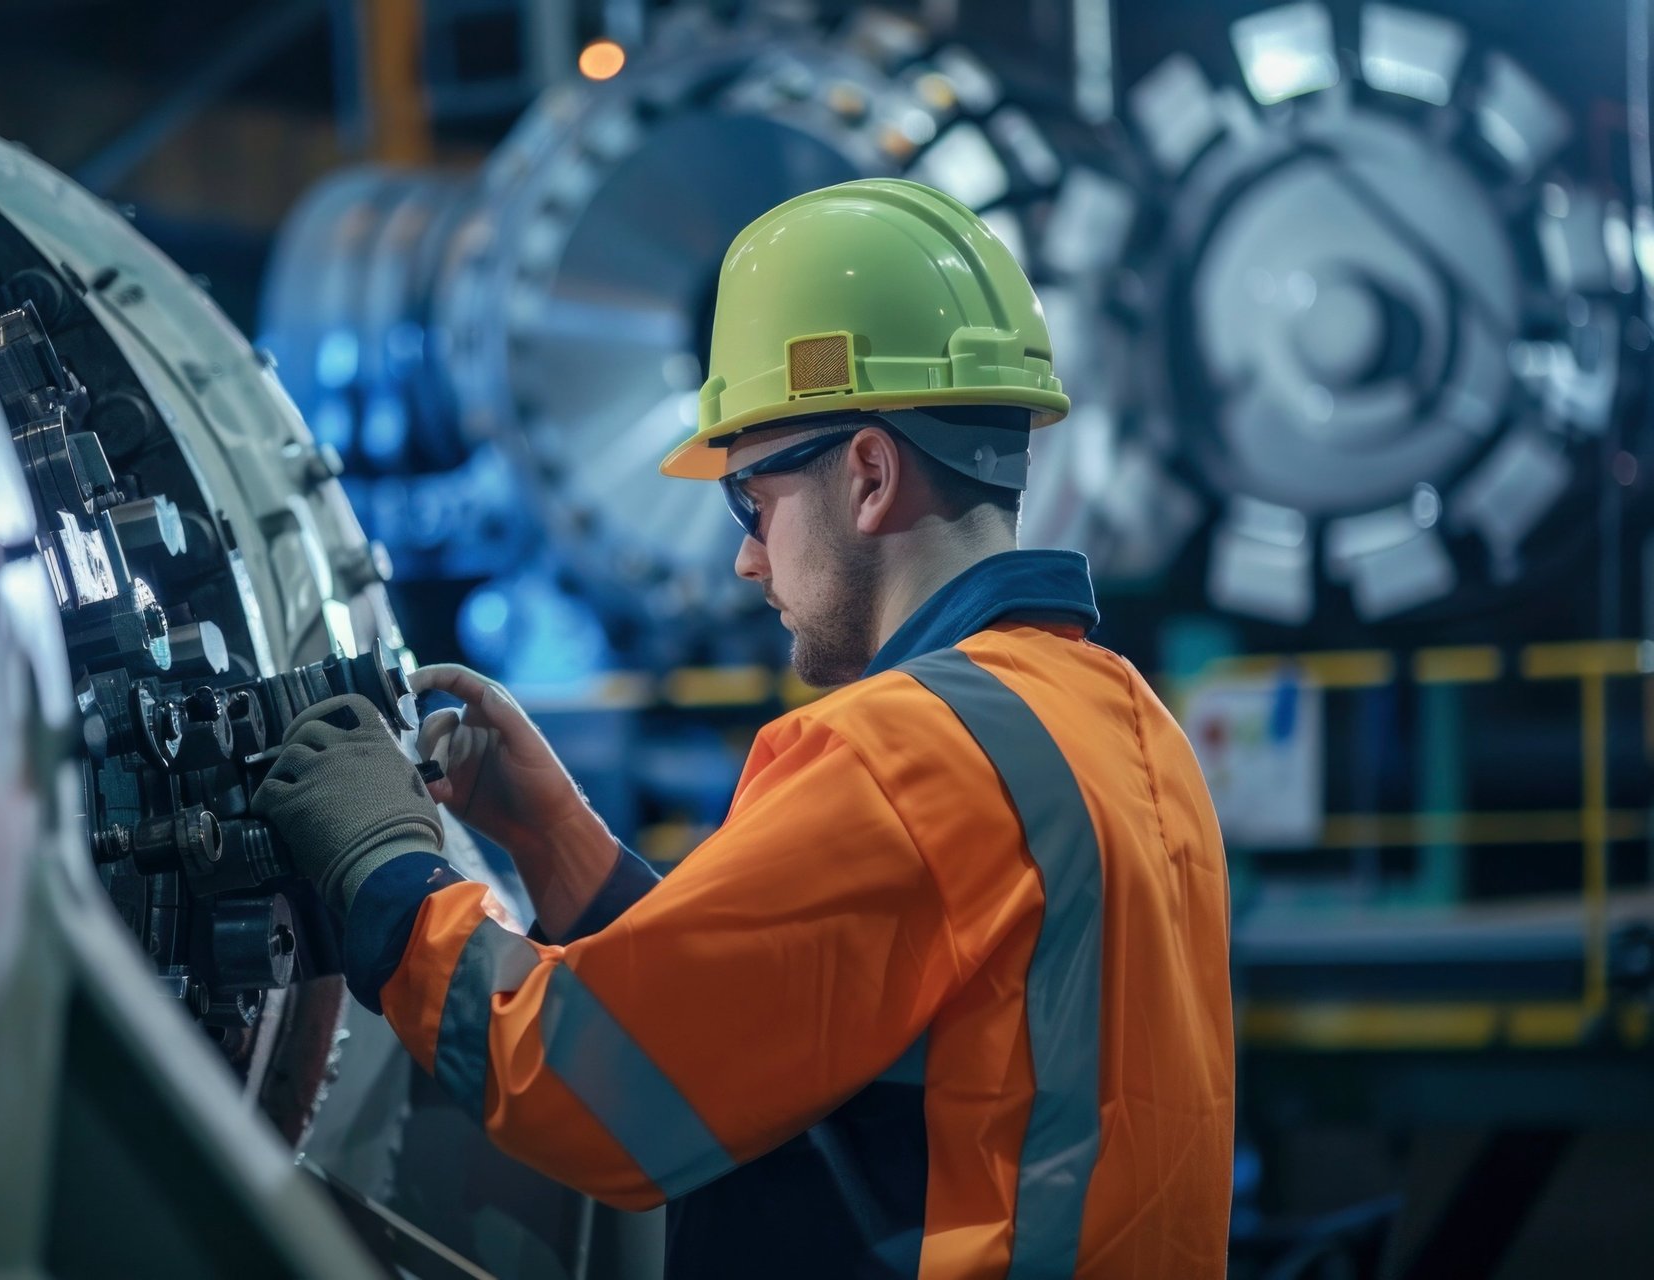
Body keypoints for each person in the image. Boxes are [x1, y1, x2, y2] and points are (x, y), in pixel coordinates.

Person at [255, 178, 1234, 1278]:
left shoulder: (902, 754)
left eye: (751, 501)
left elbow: (583, 1083)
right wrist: (555, 837)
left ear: (869, 474)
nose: (746, 558)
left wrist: (383, 864)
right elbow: (776, 1022)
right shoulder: (1124, 723)